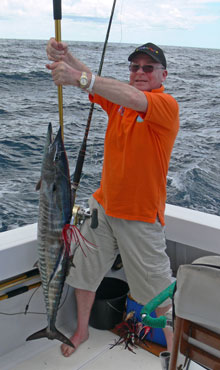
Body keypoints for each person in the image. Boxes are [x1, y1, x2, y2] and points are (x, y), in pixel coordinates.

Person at [46, 39, 179, 357]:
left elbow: (127, 94)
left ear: (164, 75)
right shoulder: (119, 103)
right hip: (102, 206)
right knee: (83, 271)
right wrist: (70, 59)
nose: (140, 72)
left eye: (149, 67)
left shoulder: (165, 106)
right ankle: (81, 331)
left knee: (159, 292)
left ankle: (175, 353)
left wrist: (78, 78)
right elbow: (103, 87)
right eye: (135, 67)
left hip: (141, 216)